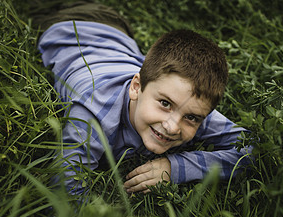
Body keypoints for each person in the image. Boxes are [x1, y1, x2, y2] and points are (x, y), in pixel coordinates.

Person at [33, 1, 252, 195]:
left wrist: (175, 168)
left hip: (118, 33)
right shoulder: (93, 113)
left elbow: (251, 150)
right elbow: (66, 189)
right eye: (165, 104)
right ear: (136, 87)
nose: (173, 127)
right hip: (66, 24)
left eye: (192, 118)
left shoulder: (189, 103)